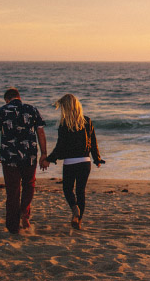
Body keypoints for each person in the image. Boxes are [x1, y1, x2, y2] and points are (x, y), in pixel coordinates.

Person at [0, 88, 48, 235]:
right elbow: (40, 132)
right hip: (29, 155)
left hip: (9, 157)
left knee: (12, 191)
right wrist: (44, 154)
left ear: (7, 99)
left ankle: (13, 227)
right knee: (29, 184)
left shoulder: (1, 111)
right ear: (19, 97)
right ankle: (24, 212)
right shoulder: (32, 109)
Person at [42, 93, 104, 230]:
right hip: (85, 162)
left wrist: (48, 159)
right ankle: (78, 220)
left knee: (67, 189)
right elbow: (93, 142)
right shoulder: (87, 121)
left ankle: (74, 208)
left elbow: (60, 146)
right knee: (80, 191)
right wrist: (97, 159)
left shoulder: (64, 125)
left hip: (70, 163)